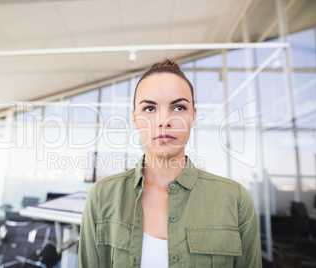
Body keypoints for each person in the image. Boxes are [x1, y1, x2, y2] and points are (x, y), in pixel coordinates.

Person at [77, 59, 262, 268]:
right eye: (149, 108)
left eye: (179, 107)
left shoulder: (235, 200)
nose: (164, 120)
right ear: (135, 118)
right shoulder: (103, 196)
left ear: (193, 116)